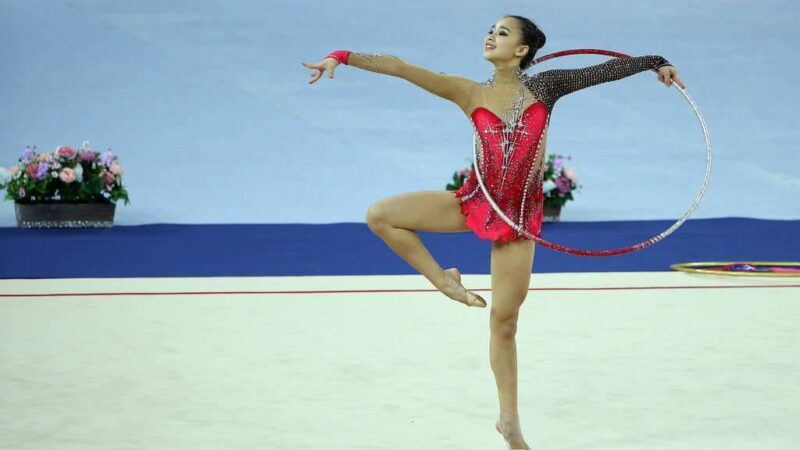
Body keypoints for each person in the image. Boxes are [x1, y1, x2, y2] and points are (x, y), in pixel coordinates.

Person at [302, 15, 683, 450]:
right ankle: (444, 280)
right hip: (474, 200)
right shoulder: (469, 92)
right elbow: (401, 67)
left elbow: (602, 70)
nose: (490, 36)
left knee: (504, 322)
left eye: (502, 32)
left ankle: (509, 422)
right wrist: (341, 57)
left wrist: (656, 62)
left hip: (518, 219)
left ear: (522, 49)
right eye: (490, 30)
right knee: (380, 216)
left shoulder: (547, 87)